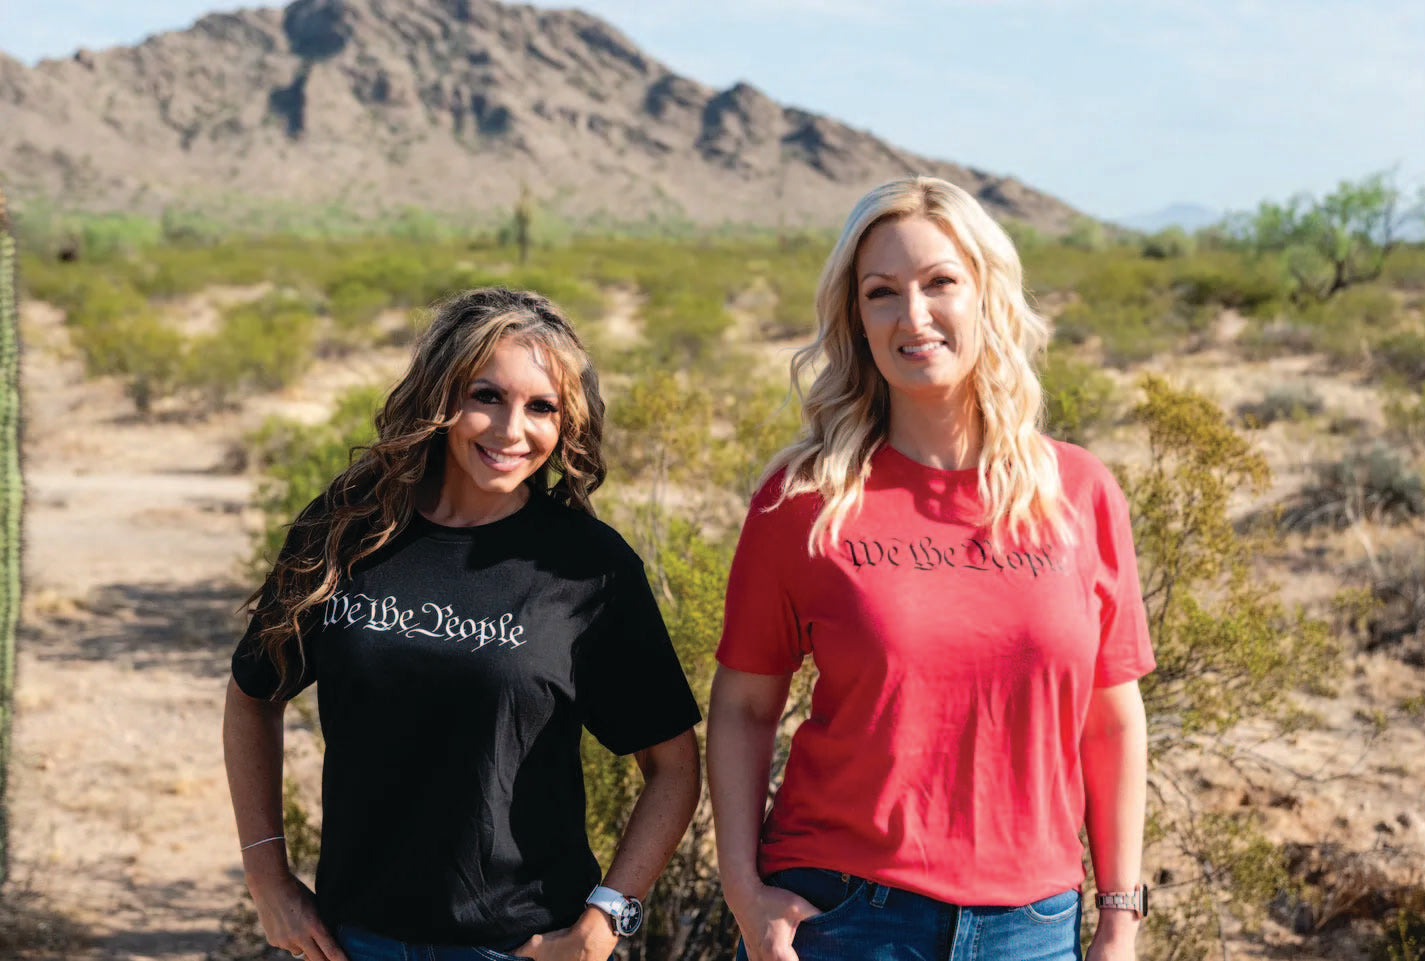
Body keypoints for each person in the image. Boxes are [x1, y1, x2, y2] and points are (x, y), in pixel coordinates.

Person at [707, 177, 1154, 961]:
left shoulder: (1079, 491)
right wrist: (743, 888)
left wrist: (1120, 918)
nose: (913, 316)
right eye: (882, 293)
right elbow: (744, 706)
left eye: (940, 282)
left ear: (987, 294)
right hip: (843, 915)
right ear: (857, 319)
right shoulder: (805, 499)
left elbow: (1111, 720)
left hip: (1033, 926)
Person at [224, 288, 702, 961]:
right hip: (353, 939)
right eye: (487, 396)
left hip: (521, 942)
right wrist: (266, 875)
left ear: (568, 423)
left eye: (542, 407)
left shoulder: (588, 568)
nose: (511, 431)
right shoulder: (350, 527)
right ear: (442, 396)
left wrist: (605, 919)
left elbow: (674, 766)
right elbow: (253, 694)